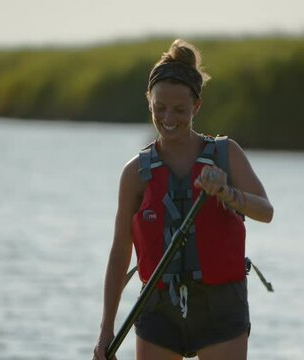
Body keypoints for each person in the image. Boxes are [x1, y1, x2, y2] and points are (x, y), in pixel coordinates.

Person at [93, 39, 274, 360]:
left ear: (197, 107)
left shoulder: (225, 154)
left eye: (179, 110)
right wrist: (106, 331)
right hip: (157, 311)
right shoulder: (135, 173)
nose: (168, 118)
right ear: (148, 102)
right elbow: (120, 252)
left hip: (221, 309)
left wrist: (227, 193)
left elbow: (266, 211)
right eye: (159, 108)